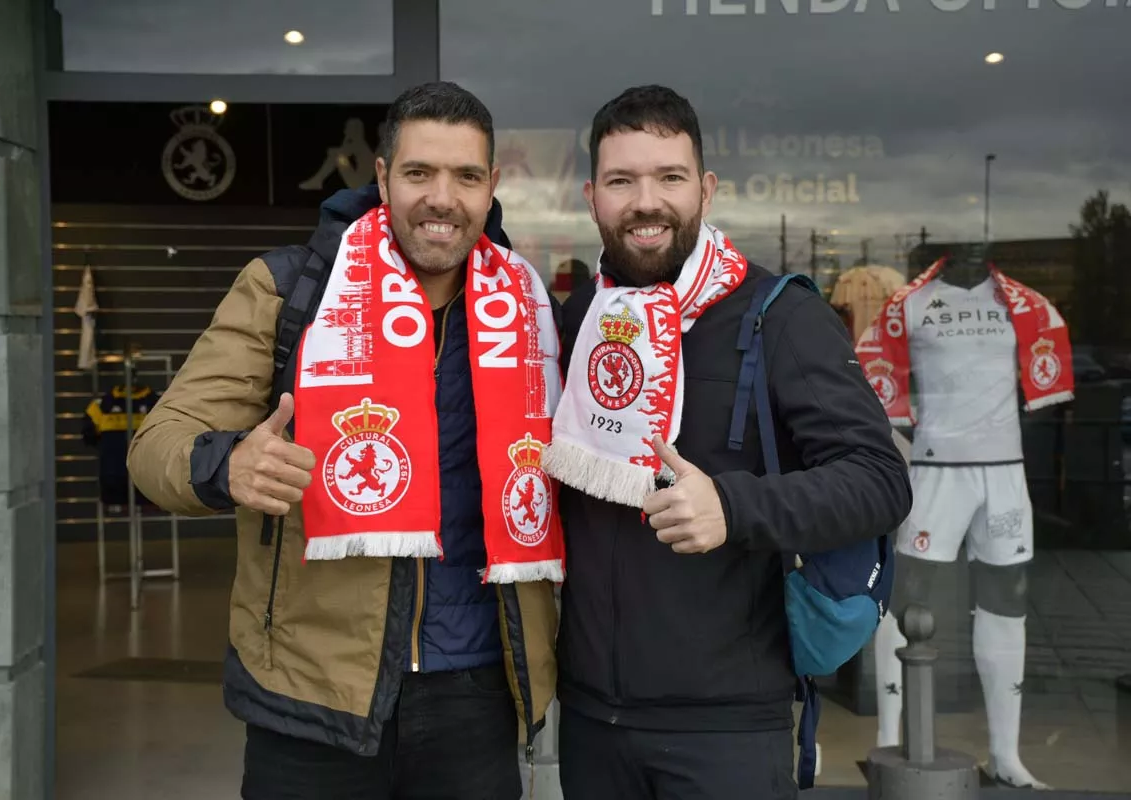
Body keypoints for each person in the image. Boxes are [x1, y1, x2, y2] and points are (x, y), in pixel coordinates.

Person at [127, 81, 565, 800]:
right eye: (419, 173)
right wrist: (223, 462)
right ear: (384, 176)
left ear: (492, 188)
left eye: (465, 176)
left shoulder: (529, 310)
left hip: (478, 691)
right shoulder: (286, 290)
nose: (441, 198)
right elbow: (156, 445)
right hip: (313, 691)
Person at [543, 85, 914, 799]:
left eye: (669, 178)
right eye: (622, 181)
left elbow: (880, 480)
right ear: (593, 196)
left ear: (705, 190)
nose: (645, 201)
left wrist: (734, 508)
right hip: (591, 717)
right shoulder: (581, 316)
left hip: (727, 731)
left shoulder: (780, 315)